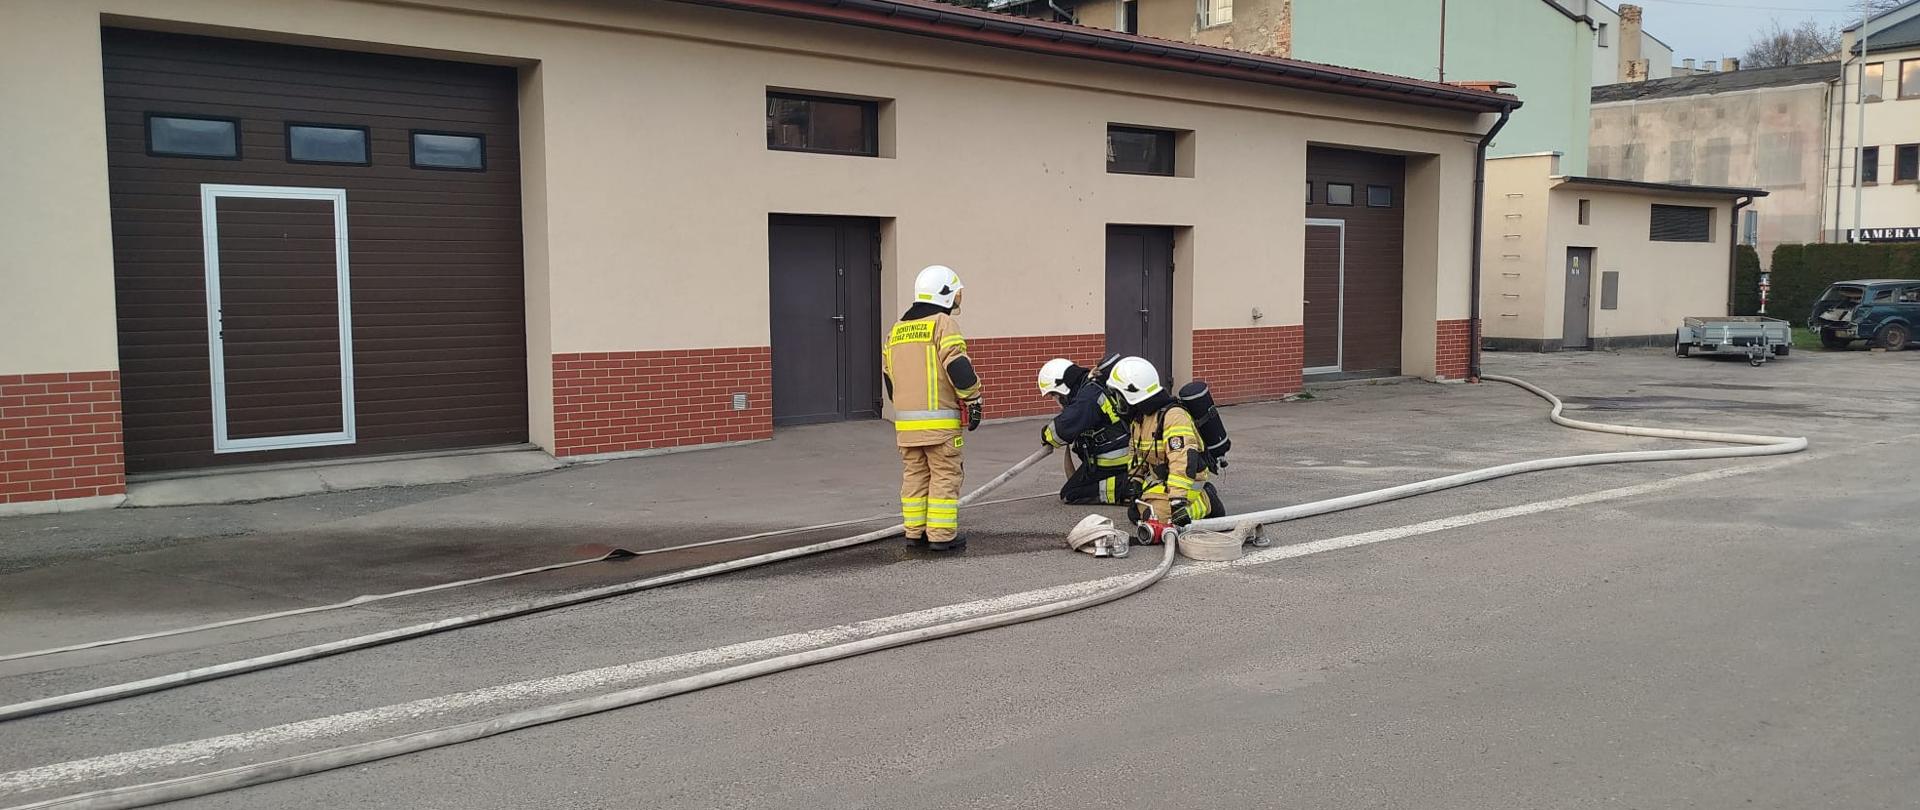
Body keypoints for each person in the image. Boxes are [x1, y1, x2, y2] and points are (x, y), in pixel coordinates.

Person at [883, 265, 983, 552]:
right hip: (940, 426)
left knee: (915, 477)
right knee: (944, 475)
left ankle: (914, 533)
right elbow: (957, 366)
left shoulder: (896, 331)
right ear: (946, 294)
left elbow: (889, 380)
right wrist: (974, 399)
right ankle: (941, 536)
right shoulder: (942, 323)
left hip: (906, 427)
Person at [1103, 356, 1224, 528]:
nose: (1117, 402)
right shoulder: (1140, 419)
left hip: (1187, 482)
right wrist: (1135, 482)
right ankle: (1162, 506)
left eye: (1119, 396)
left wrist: (1177, 502)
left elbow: (1182, 462)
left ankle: (1206, 501)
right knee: (1138, 514)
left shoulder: (1173, 417)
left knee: (1158, 521)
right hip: (1162, 480)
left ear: (1132, 393)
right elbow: (1136, 455)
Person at [1036, 356, 1134, 505]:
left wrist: (1045, 435)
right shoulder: (1090, 388)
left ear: (1062, 387)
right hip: (1112, 458)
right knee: (1073, 489)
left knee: (1072, 493)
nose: (1055, 400)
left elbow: (1061, 430)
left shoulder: (1088, 397)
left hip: (1114, 462)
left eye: (1054, 395)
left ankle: (1128, 488)